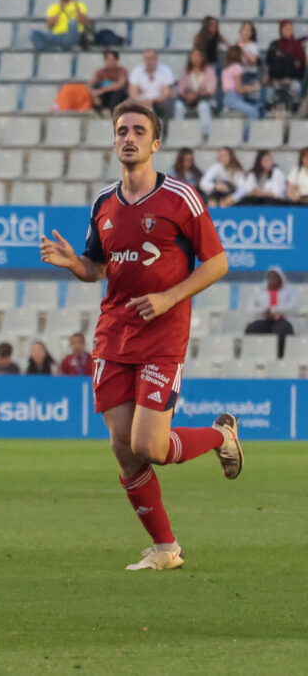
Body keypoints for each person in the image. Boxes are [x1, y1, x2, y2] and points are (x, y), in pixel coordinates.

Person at [40, 100, 241, 571]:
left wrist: (171, 298)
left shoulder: (181, 199)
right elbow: (97, 267)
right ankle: (167, 549)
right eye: (121, 130)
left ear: (155, 143)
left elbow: (218, 263)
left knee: (149, 446)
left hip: (163, 334)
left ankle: (220, 435)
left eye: (137, 131)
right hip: (114, 335)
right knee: (123, 449)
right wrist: (75, 264)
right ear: (114, 141)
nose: (127, 137)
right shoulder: (103, 204)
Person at [244, 266, 298, 358]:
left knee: (281, 331)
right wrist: (264, 310)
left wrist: (275, 310)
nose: (272, 281)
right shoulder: (259, 291)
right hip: (264, 319)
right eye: (270, 278)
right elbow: (250, 308)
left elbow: (293, 307)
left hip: (282, 320)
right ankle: (252, 356)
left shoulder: (290, 291)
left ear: (280, 279)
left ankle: (279, 356)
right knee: (251, 329)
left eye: (275, 278)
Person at [172, 49, 216, 142]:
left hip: (203, 99)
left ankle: (205, 134)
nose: (196, 59)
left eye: (198, 56)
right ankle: (178, 132)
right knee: (178, 106)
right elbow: (180, 89)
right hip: (187, 99)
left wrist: (196, 94)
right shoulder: (186, 71)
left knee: (203, 107)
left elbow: (210, 89)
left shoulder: (209, 71)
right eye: (194, 56)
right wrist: (188, 95)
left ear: (203, 58)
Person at [264, 20, 306, 114]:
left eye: (290, 29)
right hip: (276, 80)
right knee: (269, 92)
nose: (289, 31)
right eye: (286, 29)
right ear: (281, 30)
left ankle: (295, 112)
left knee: (297, 87)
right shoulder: (274, 45)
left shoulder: (298, 46)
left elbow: (301, 68)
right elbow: (268, 63)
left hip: (292, 80)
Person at [128, 49, 175, 123]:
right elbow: (132, 92)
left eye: (151, 58)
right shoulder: (137, 71)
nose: (149, 61)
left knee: (166, 104)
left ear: (156, 59)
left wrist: (153, 102)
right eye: (146, 58)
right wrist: (143, 102)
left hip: (159, 101)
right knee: (129, 104)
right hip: (142, 100)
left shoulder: (165, 71)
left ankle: (164, 128)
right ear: (143, 60)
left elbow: (166, 92)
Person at [220, 46, 263, 127]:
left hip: (227, 98)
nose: (244, 56)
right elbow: (239, 89)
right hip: (233, 98)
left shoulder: (226, 68)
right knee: (254, 112)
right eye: (243, 54)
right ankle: (245, 137)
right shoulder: (237, 67)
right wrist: (254, 88)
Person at [88, 49, 129, 115]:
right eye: (107, 59)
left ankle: (114, 115)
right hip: (105, 97)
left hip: (118, 98)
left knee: (117, 92)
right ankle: (98, 116)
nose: (109, 62)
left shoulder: (122, 71)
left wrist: (101, 90)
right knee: (96, 86)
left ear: (117, 61)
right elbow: (89, 85)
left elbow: (119, 85)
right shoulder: (100, 71)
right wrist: (94, 97)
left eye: (112, 60)